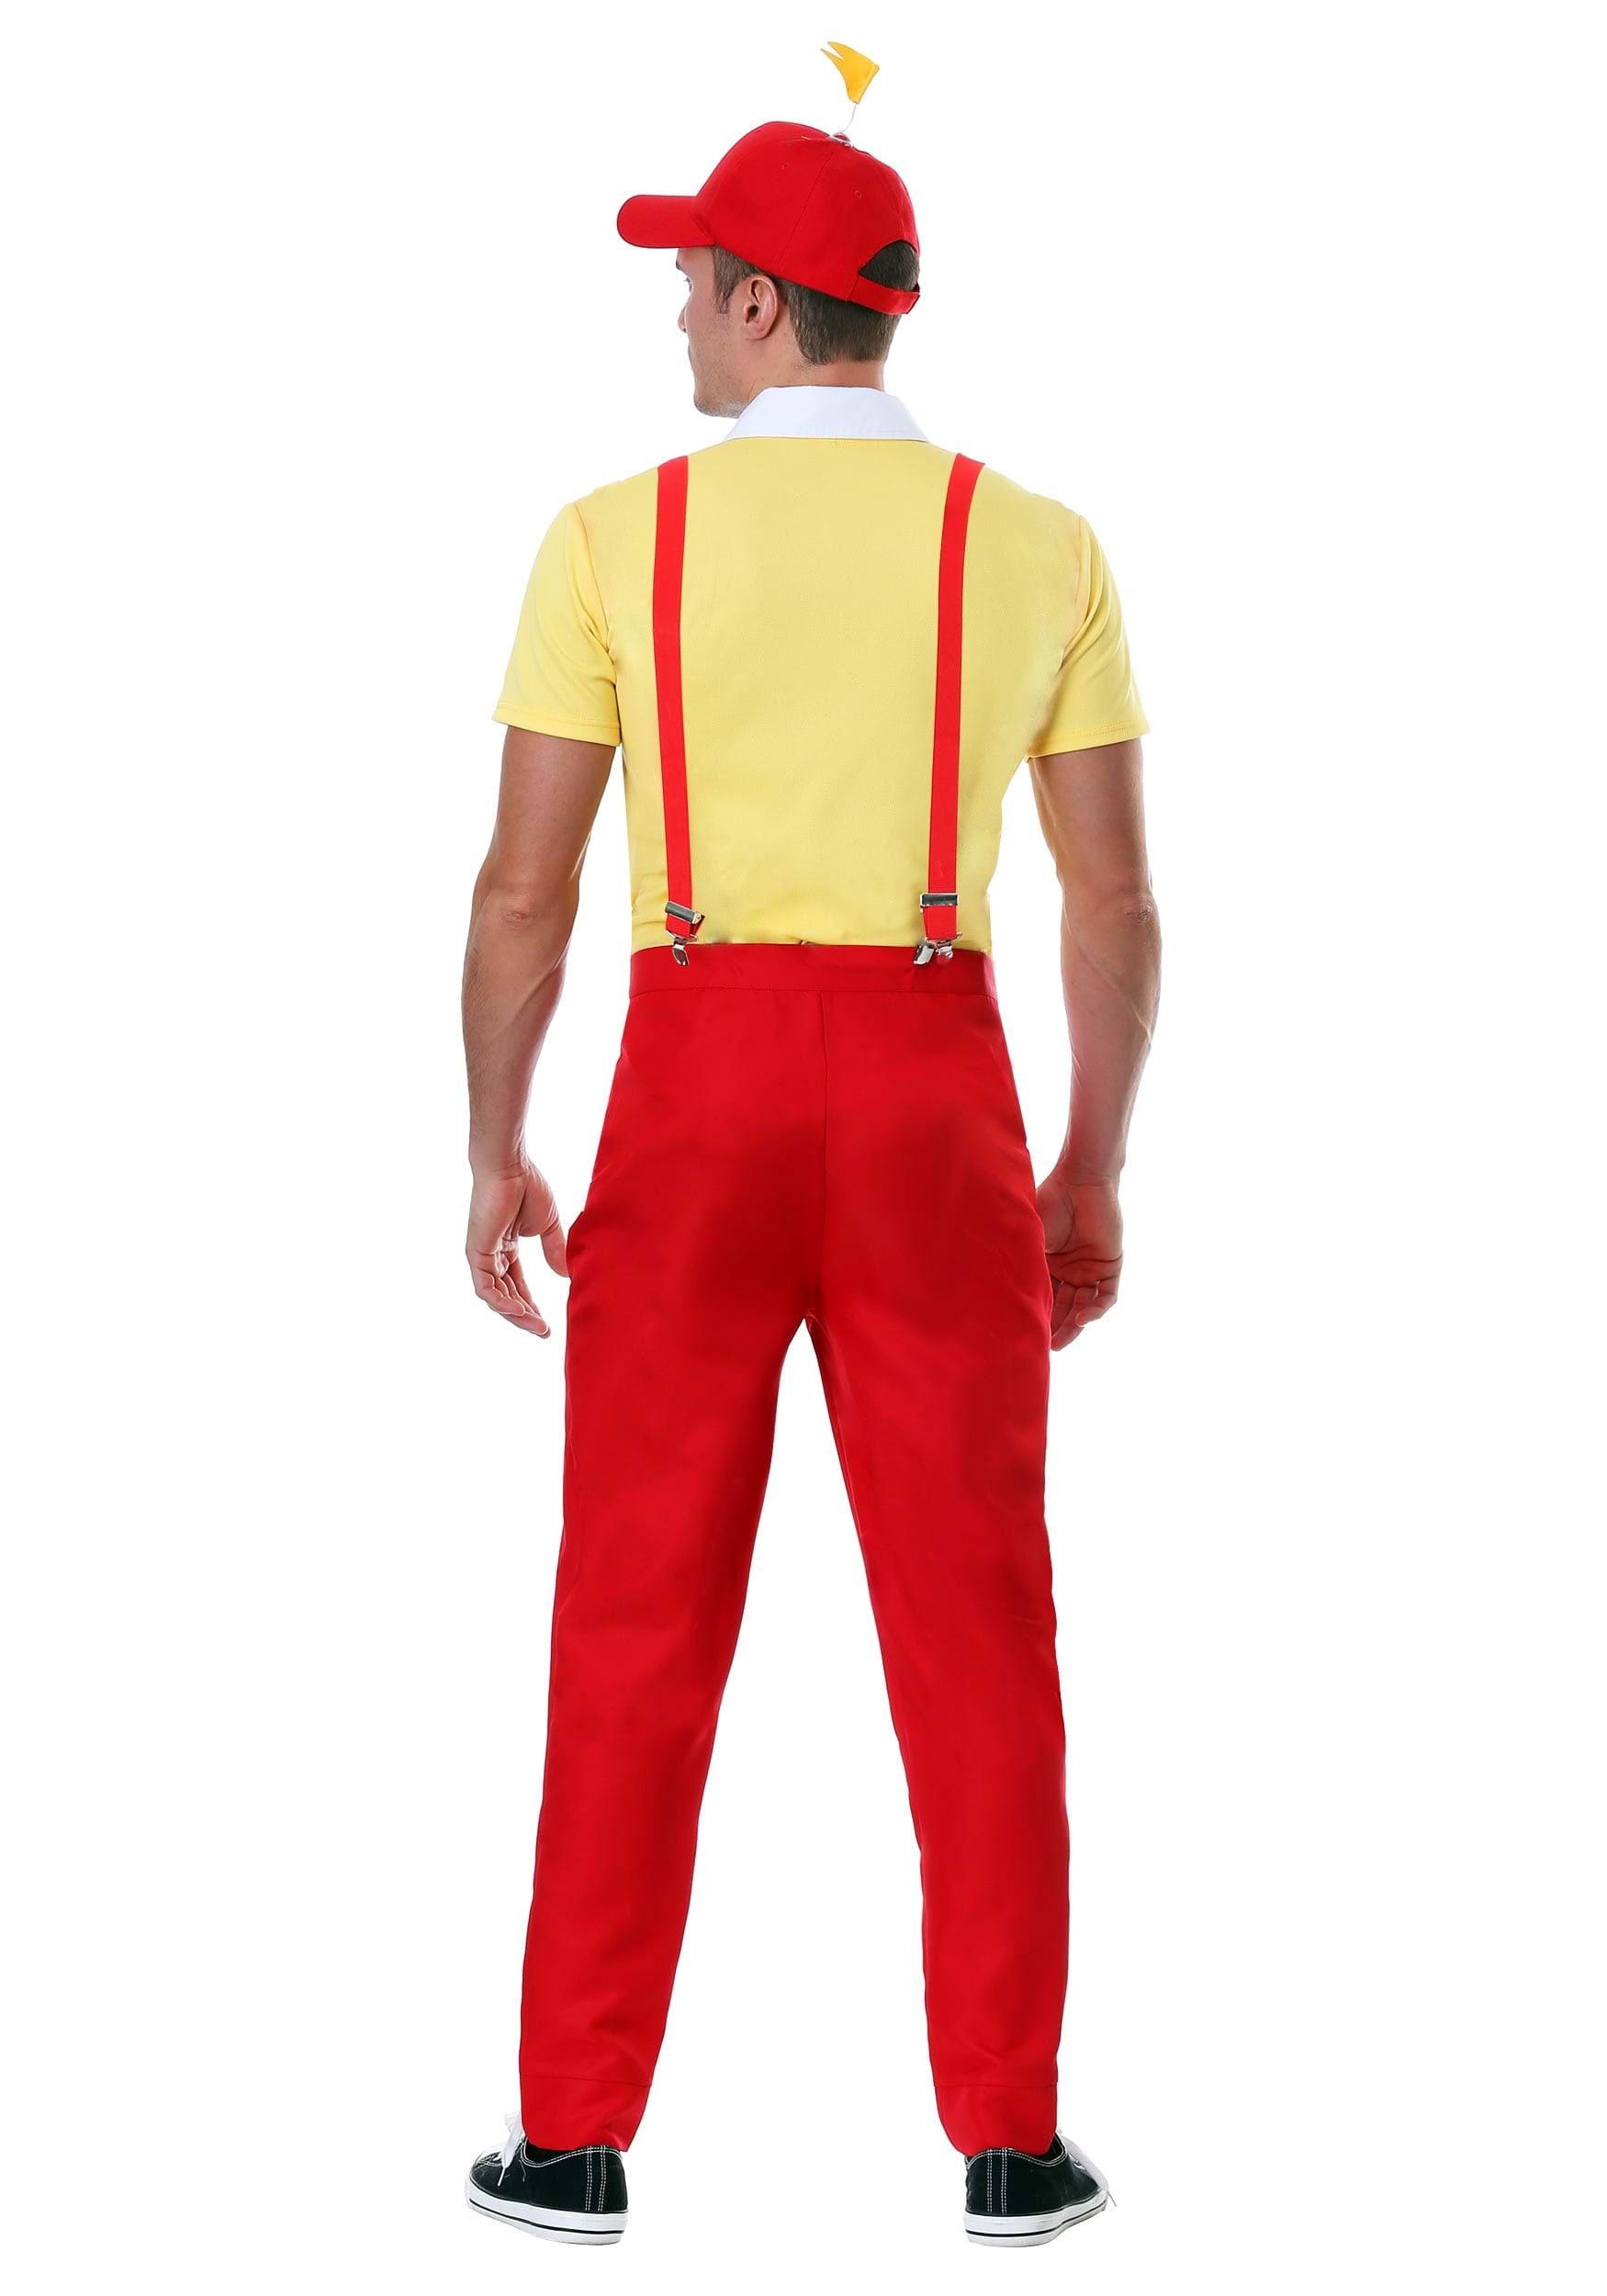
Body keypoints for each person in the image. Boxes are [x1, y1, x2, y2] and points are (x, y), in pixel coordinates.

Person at [460, 106, 1160, 2250]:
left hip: (692, 1086)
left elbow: (522, 896)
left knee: (631, 1611)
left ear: (762, 304)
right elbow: (1112, 903)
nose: (675, 312)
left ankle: (571, 2138)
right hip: (937, 1088)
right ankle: (1011, 2142)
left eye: (691, 281)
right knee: (978, 1624)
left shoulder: (610, 540)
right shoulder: (1034, 545)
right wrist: (1085, 1160)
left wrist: (492, 1142)